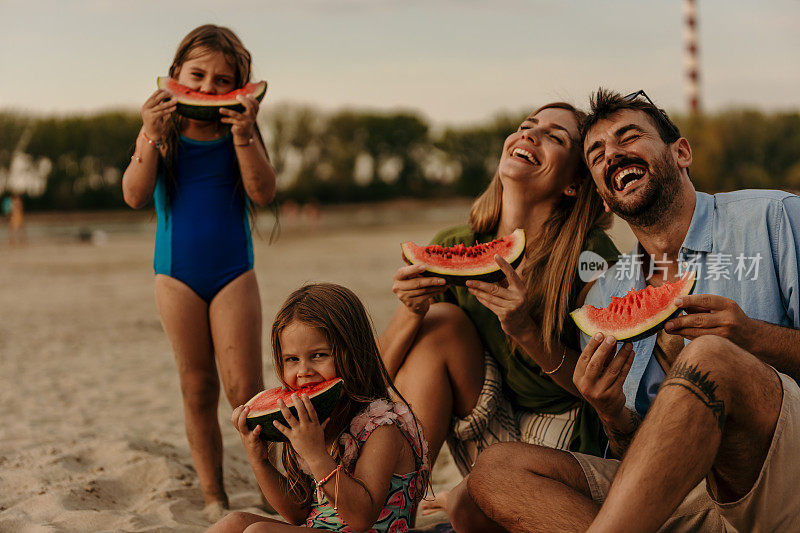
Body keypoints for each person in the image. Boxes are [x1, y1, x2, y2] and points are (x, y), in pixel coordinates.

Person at [466, 88, 800, 532]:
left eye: (628, 137)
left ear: (681, 152)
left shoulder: (776, 218)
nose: (612, 155)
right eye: (597, 153)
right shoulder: (605, 295)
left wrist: (753, 337)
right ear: (604, 197)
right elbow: (633, 449)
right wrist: (611, 413)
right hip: (678, 495)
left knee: (708, 357)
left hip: (779, 468)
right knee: (497, 470)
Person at [379, 103, 619, 525]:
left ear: (573, 183)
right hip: (486, 425)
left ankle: (471, 500)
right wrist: (410, 311)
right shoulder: (455, 242)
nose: (530, 134)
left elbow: (597, 388)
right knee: (440, 322)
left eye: (555, 137)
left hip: (562, 437)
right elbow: (379, 374)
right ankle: (392, 509)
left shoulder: (591, 255)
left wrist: (526, 330)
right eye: (528, 126)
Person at [121, 24, 277, 517]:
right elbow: (133, 194)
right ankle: (214, 497)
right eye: (197, 76)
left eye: (222, 80)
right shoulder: (161, 131)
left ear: (238, 88)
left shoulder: (241, 132)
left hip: (234, 272)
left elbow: (262, 193)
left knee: (245, 393)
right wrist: (150, 133)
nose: (208, 89)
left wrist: (245, 134)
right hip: (175, 276)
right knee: (196, 387)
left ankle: (274, 488)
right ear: (174, 76)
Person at [208, 283, 429, 533]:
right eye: (292, 359)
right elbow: (297, 513)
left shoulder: (380, 429)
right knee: (232, 524)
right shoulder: (311, 424)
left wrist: (315, 454)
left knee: (258, 532)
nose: (304, 372)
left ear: (353, 354)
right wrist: (260, 461)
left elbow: (361, 518)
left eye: (318, 355)